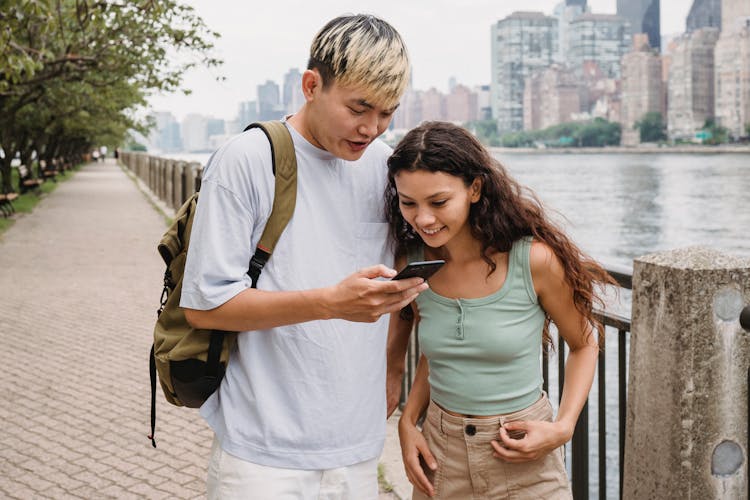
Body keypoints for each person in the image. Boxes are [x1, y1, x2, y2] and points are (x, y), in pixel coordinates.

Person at [180, 15, 424, 499]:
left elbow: (405, 289)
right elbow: (204, 306)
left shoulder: (386, 167)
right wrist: (330, 302)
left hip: (356, 446)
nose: (371, 127)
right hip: (262, 450)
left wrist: (393, 370)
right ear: (311, 85)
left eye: (387, 113)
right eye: (359, 107)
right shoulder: (246, 160)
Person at [384, 122, 613, 499]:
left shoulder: (533, 261)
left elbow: (585, 344)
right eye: (409, 203)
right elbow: (441, 353)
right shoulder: (413, 265)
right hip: (440, 459)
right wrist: (408, 423)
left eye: (438, 202)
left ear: (475, 189)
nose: (423, 219)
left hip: (523, 454)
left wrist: (563, 427)